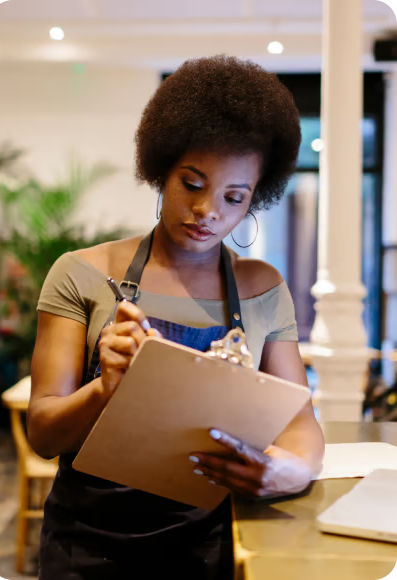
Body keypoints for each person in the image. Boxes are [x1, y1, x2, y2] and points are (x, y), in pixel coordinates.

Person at [28, 54, 325, 580]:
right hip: (86, 547)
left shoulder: (263, 290)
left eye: (235, 197)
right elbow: (44, 434)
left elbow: (300, 424)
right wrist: (105, 389)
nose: (209, 210)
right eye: (192, 183)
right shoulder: (80, 275)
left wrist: (290, 470)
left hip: (207, 546)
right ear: (161, 169)